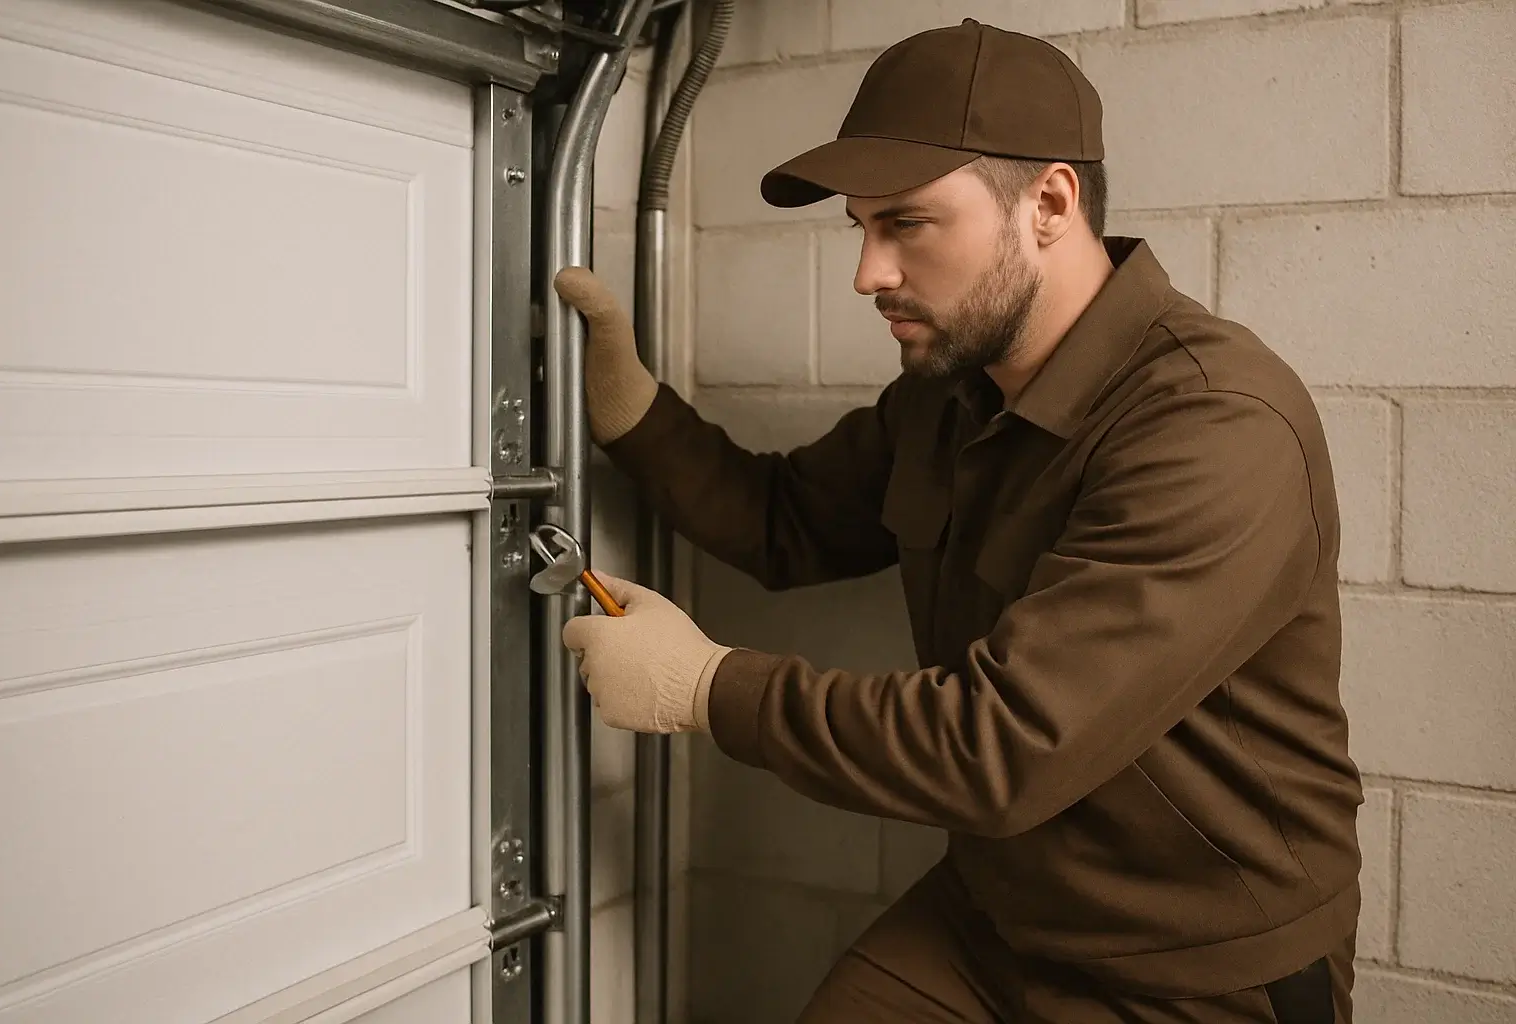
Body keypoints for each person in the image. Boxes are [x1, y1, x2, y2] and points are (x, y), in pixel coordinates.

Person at [555, 19, 1363, 1024]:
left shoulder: (1212, 424)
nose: (868, 273)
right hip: (997, 914)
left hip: (1196, 964)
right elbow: (782, 520)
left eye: (907, 224)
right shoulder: (947, 397)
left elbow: (1002, 745)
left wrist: (706, 687)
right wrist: (630, 407)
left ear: (1050, 205)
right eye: (861, 227)